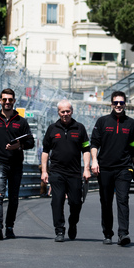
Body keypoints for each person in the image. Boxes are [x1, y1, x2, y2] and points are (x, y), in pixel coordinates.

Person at [0, 88, 34, 240]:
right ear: (0, 101)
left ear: (14, 101)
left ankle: (10, 227)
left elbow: (31, 142)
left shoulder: (21, 122)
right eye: (5, 99)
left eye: (10, 100)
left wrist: (19, 146)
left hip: (16, 164)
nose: (7, 102)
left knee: (14, 198)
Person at [89, 91, 134, 247]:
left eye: (121, 103)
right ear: (111, 103)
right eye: (116, 103)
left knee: (123, 200)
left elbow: (133, 147)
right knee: (106, 201)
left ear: (125, 104)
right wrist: (94, 161)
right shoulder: (102, 122)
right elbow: (94, 144)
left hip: (124, 168)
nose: (118, 105)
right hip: (105, 168)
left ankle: (123, 233)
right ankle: (107, 233)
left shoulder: (131, 123)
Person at [41, 99, 91, 242]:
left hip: (74, 173)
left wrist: (86, 169)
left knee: (76, 202)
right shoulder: (52, 129)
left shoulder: (80, 128)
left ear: (72, 111)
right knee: (57, 201)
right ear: (58, 113)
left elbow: (86, 150)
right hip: (56, 172)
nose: (65, 114)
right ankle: (59, 230)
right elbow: (45, 151)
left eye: (68, 111)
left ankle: (73, 223)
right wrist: (44, 171)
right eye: (62, 112)